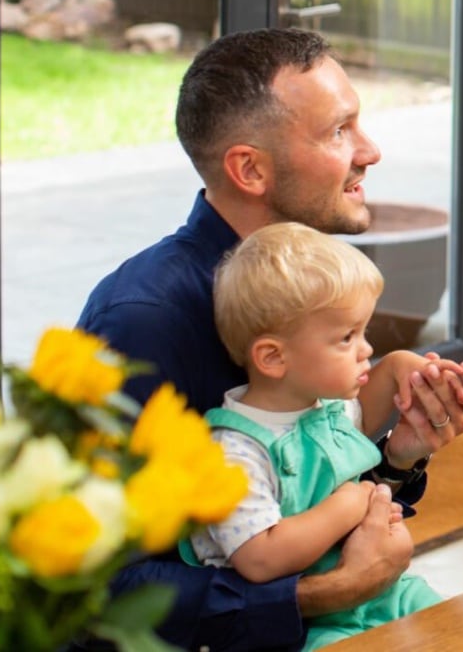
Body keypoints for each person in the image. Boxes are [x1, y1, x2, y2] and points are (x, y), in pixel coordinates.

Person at [77, 28, 463, 651]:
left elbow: (299, 494)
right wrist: (326, 594)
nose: (369, 151)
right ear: (249, 168)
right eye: (339, 131)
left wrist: (400, 452)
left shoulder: (306, 281)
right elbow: (100, 584)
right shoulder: (143, 321)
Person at [185, 223, 448, 648]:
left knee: (457, 628)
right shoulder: (234, 452)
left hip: (384, 593)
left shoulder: (325, 407)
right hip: (305, 625)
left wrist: (405, 368)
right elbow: (260, 558)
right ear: (273, 357)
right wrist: (351, 505)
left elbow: (366, 410)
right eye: (347, 337)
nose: (365, 349)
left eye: (364, 331)